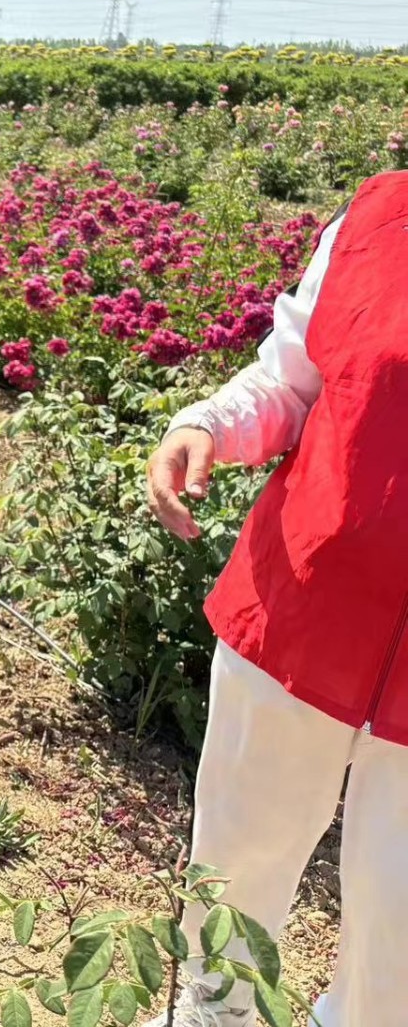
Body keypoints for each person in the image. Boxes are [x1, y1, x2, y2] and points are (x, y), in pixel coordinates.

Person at [142, 170, 408, 1027]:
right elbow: (292, 381)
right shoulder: (381, 217)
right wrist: (208, 425)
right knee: (234, 874)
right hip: (298, 609)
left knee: (397, 952)